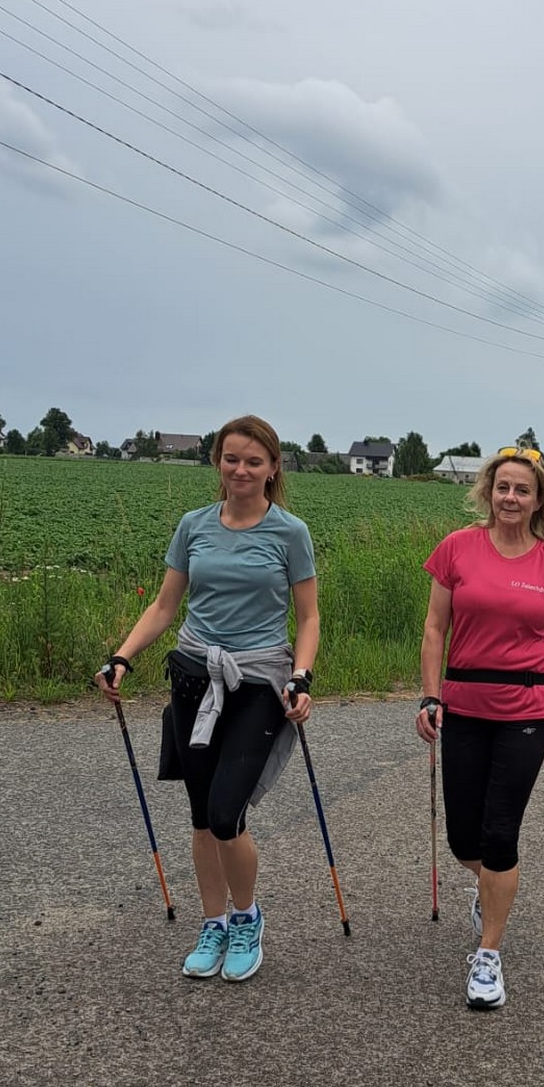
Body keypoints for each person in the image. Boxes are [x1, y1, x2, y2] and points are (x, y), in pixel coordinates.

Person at [96, 415, 319, 984]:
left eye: (253, 461)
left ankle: (247, 918)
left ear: (273, 468)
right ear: (217, 462)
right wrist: (122, 656)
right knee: (201, 816)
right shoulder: (193, 525)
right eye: (230, 458)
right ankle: (213, 922)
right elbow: (164, 606)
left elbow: (309, 617)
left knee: (226, 815)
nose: (240, 470)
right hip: (194, 676)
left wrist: (301, 677)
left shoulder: (290, 533)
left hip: (258, 682)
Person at [417, 447, 544, 1011]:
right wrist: (429, 695)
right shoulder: (456, 548)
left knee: (499, 834)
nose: (510, 498)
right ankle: (492, 887)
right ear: (488, 492)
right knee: (463, 839)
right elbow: (434, 629)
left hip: (527, 710)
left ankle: (488, 953)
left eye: (522, 490)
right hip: (464, 704)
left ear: (539, 500)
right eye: (503, 488)